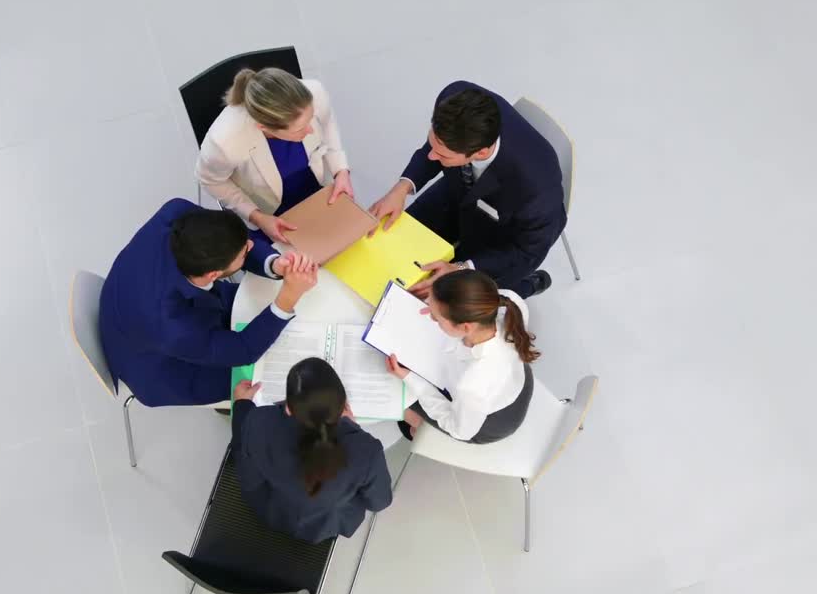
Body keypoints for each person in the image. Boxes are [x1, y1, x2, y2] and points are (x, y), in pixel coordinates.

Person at [99, 198, 318, 407]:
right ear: (213, 274)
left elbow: (230, 242)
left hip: (138, 298)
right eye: (246, 253)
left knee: (253, 307)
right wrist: (286, 299)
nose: (251, 245)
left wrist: (274, 263)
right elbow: (244, 351)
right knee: (271, 377)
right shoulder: (173, 329)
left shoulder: (177, 215)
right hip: (158, 367)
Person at [367, 80, 566, 299]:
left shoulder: (537, 192)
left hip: (506, 235)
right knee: (393, 243)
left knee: (453, 300)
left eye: (442, 156)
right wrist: (401, 189)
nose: (432, 156)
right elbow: (434, 150)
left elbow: (526, 253)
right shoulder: (454, 98)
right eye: (433, 145)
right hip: (459, 192)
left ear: (480, 153)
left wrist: (461, 268)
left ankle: (524, 287)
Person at [231, 358, 392, 543]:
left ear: (289, 409)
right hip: (326, 525)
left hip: (272, 511)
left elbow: (242, 453)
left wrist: (242, 404)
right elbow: (379, 502)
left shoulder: (258, 421)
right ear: (343, 407)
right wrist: (354, 430)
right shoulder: (366, 451)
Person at [197, 67, 353, 244]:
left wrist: (341, 172)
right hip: (266, 210)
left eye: (310, 119)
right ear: (264, 128)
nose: (310, 130)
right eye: (300, 128)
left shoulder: (314, 92)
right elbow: (211, 181)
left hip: (316, 191)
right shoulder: (224, 141)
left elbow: (327, 125)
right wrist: (258, 217)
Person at [384, 269, 538, 443]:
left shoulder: (471, 385)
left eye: (436, 317)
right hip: (516, 380)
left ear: (465, 327)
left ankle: (415, 426)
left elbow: (459, 430)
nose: (431, 317)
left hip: (488, 423)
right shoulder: (507, 302)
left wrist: (408, 377)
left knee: (397, 389)